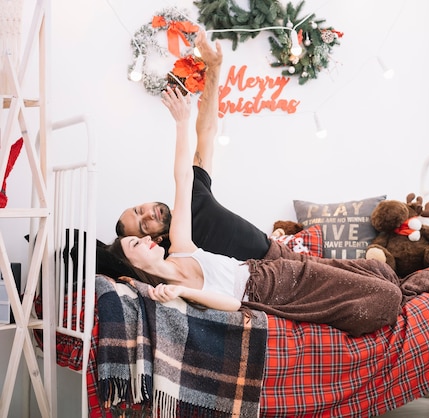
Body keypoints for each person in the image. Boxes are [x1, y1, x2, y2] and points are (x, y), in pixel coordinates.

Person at [107, 85, 403, 337]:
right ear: (137, 265)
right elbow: (234, 305)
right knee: (385, 298)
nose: (148, 238)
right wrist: (183, 292)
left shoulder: (181, 247)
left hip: (274, 269)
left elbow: (183, 179)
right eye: (139, 239)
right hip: (267, 293)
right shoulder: (169, 291)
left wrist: (181, 123)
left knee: (380, 272)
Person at [116, 30, 273, 261]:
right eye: (143, 226)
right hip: (266, 279)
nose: (149, 214)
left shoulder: (193, 194)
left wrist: (214, 69)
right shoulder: (176, 254)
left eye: (140, 210)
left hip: (278, 252)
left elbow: (207, 132)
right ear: (152, 240)